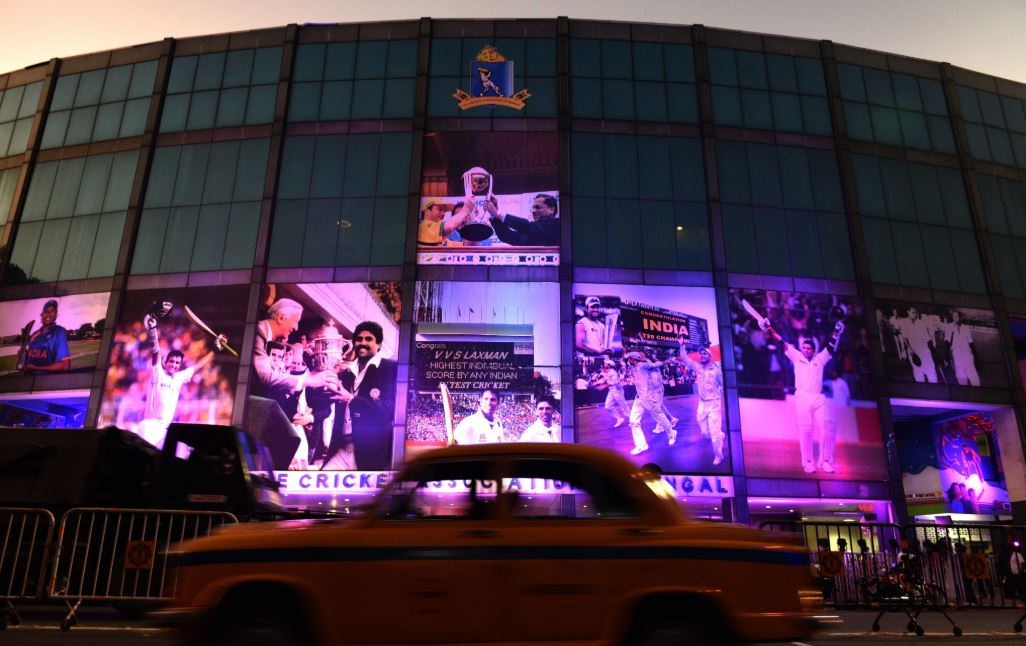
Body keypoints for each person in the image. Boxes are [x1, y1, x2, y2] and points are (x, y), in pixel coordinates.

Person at [765, 312, 844, 474]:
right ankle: (808, 462)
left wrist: (837, 332)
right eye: (804, 348)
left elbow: (830, 346)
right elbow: (782, 342)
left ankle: (826, 461)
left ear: (814, 350)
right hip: (802, 397)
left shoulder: (820, 359)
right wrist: (769, 329)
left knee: (827, 427)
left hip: (818, 398)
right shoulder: (796, 356)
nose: (806, 350)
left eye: (809, 348)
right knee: (806, 430)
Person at [137, 312, 221, 449]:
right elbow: (156, 351)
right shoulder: (158, 373)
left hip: (165, 430)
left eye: (177, 363)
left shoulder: (179, 377)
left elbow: (198, 366)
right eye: (172, 361)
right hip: (150, 426)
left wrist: (214, 349)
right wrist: (153, 329)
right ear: (166, 361)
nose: (174, 365)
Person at [322, 321, 397, 471]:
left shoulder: (390, 369)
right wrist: (320, 383)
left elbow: (390, 408)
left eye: (369, 339)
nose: (363, 343)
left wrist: (351, 400)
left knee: (366, 495)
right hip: (340, 449)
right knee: (319, 493)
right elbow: (323, 407)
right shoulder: (344, 374)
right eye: (359, 339)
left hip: (371, 452)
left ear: (379, 344)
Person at [253, 298, 338, 401]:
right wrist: (307, 381)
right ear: (281, 318)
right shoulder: (258, 332)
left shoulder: (263, 335)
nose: (297, 328)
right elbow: (266, 376)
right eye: (296, 321)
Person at [676, 343, 725, 465]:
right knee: (705, 433)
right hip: (702, 404)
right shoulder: (697, 367)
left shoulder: (717, 370)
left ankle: (718, 454)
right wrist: (682, 345)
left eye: (704, 353)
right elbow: (684, 358)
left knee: (714, 436)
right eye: (701, 353)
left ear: (710, 355)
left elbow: (723, 385)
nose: (702, 355)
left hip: (714, 404)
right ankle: (718, 434)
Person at [625, 351, 675, 455]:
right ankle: (641, 445)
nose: (628, 360)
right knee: (633, 421)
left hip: (648, 398)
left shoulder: (644, 366)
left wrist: (666, 360)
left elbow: (657, 364)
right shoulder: (633, 367)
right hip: (638, 398)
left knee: (659, 416)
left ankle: (671, 433)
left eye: (630, 358)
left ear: (633, 359)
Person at [485, 193, 559, 246]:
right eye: (533, 208)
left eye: (538, 207)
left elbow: (529, 227)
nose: (533, 211)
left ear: (551, 209)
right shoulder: (531, 232)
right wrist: (494, 214)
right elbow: (507, 235)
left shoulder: (556, 225)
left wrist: (498, 214)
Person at [19, 299, 71, 374]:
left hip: (47, 382)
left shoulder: (59, 332)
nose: (48, 313)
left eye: (52, 310)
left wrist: (35, 368)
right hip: (29, 381)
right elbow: (32, 360)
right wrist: (24, 355)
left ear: (56, 315)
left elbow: (65, 365)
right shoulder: (34, 334)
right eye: (46, 311)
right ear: (41, 314)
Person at [902, 307, 938, 383]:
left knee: (931, 371)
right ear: (908, 312)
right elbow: (905, 338)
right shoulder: (904, 322)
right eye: (913, 313)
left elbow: (928, 339)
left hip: (924, 349)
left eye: (916, 313)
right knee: (918, 372)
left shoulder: (921, 323)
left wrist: (932, 351)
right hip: (913, 350)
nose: (915, 315)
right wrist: (910, 349)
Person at [945, 310, 980, 386]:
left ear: (960, 318)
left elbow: (970, 342)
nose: (955, 318)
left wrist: (976, 356)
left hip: (967, 354)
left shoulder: (965, 327)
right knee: (961, 378)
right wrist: (947, 357)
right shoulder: (949, 327)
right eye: (954, 316)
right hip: (957, 355)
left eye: (957, 316)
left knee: (974, 378)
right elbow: (947, 343)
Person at [595, 360, 629, 428]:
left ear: (609, 365)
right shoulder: (606, 371)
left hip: (618, 391)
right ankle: (619, 418)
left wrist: (604, 386)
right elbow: (604, 379)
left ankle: (633, 420)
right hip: (611, 391)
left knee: (624, 407)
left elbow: (615, 382)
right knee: (608, 406)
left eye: (605, 363)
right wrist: (596, 383)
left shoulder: (613, 372)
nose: (604, 364)